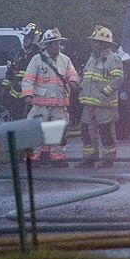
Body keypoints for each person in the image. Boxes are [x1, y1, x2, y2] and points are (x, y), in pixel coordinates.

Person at [21, 28, 80, 168]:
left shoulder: (65, 60)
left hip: (59, 105)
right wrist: (28, 95)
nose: (57, 46)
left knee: (58, 133)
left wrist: (73, 80)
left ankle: (58, 159)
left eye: (58, 43)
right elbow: (28, 79)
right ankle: (33, 159)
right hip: (41, 105)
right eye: (54, 44)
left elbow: (73, 73)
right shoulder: (37, 60)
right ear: (47, 45)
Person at [75, 26, 124, 168]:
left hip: (105, 104)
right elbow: (87, 77)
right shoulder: (91, 59)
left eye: (95, 42)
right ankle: (89, 158)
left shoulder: (113, 59)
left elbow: (118, 79)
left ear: (104, 44)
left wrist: (105, 93)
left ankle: (108, 159)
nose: (93, 44)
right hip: (89, 104)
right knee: (86, 130)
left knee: (106, 131)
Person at [0, 23, 42, 120]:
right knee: (16, 120)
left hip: (32, 97)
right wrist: (4, 86)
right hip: (16, 95)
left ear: (34, 39)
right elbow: (10, 72)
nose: (25, 40)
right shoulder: (19, 54)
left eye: (28, 37)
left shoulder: (39, 56)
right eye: (25, 37)